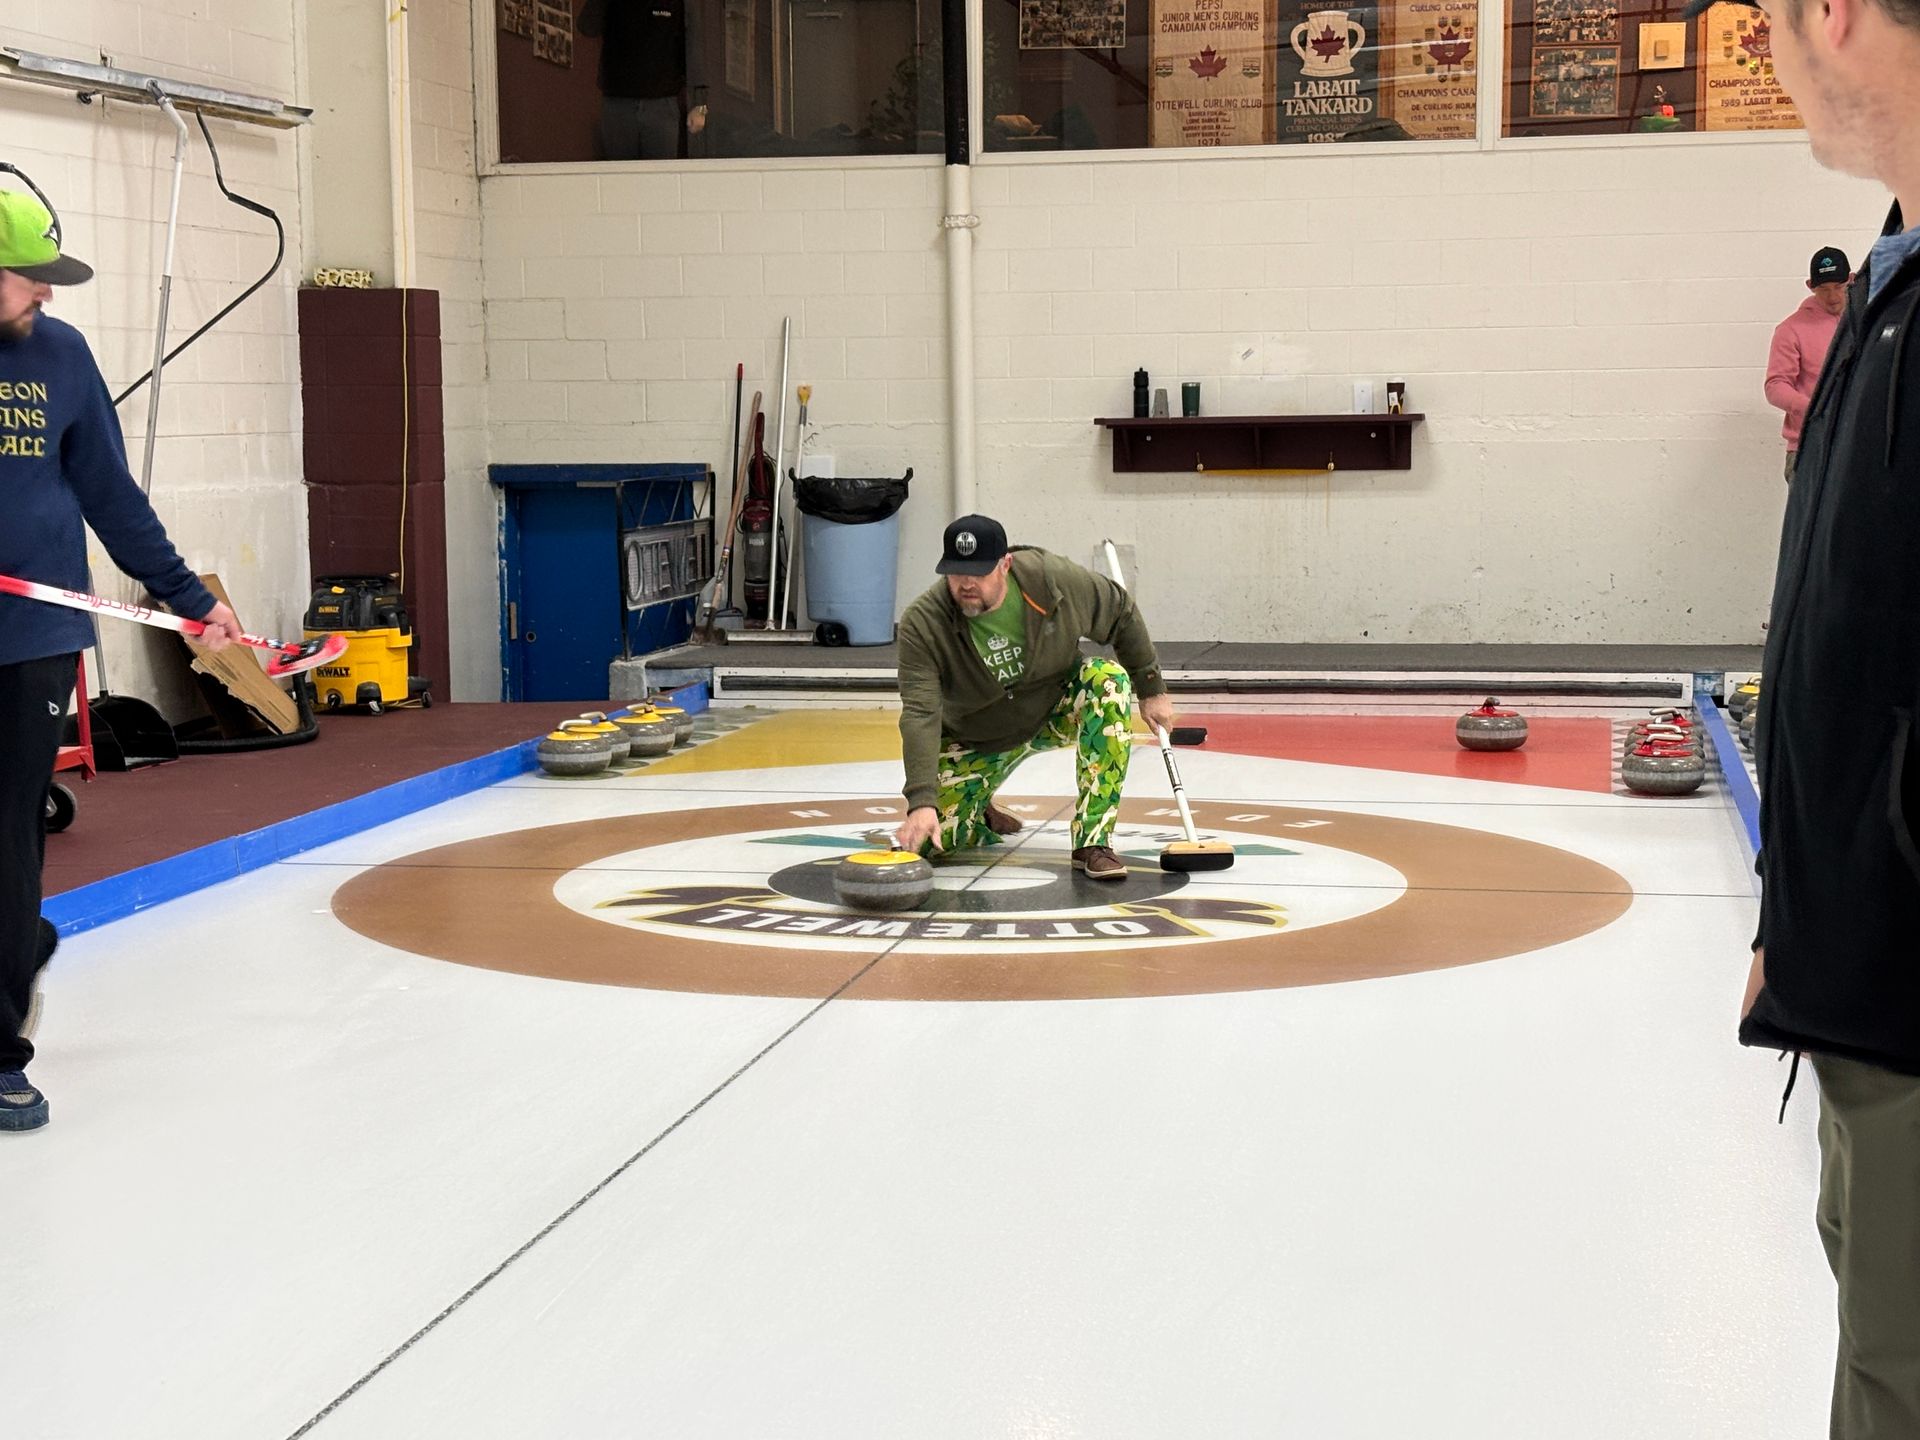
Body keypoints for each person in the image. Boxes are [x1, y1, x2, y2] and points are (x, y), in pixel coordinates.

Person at [1683, 0, 1920, 1427]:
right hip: (1864, 982)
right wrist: (1801, 927)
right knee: (1879, 1324)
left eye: (1764, 21)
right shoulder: (1887, 291)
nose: (1768, 57)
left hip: (1907, 987)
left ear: (1833, 16)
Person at [0, 188, 238, 1132]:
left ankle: (1, 1052)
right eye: (29, 279)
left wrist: (189, 598)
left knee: (7, 836)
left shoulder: (61, 357)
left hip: (31, 639)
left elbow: (109, 492)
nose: (46, 296)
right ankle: (17, 943)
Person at [892, 515, 1175, 879]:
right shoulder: (923, 622)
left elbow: (1119, 611)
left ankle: (1093, 841)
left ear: (1005, 564)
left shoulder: (1050, 581)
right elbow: (920, 713)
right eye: (956, 572)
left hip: (1054, 707)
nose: (966, 584)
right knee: (934, 841)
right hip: (978, 736)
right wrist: (921, 801)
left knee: (1108, 680)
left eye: (979, 572)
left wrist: (1151, 689)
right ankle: (979, 808)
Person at [578, 0, 708, 160]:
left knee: (660, 174)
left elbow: (694, 49)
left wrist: (700, 106)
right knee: (619, 174)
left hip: (662, 106)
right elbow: (587, 27)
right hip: (617, 104)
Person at [1765, 245, 1851, 482]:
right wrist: (1813, 409)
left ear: (1851, 280)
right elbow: (1775, 386)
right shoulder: (1790, 330)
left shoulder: (1865, 324)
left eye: (1839, 287)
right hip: (1809, 447)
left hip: (1857, 446)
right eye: (1823, 289)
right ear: (1810, 286)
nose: (1833, 297)